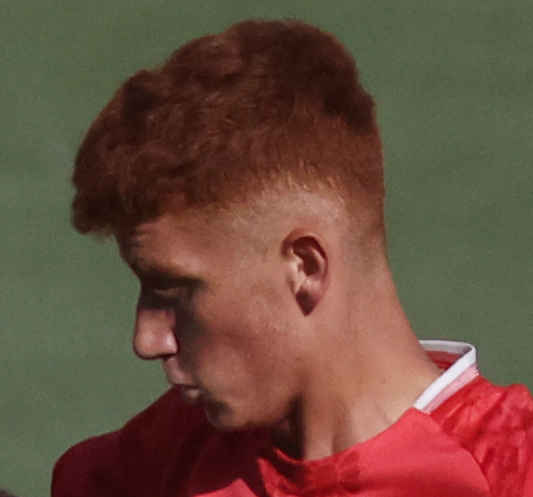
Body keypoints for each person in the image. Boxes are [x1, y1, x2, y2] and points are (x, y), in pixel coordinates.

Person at [52, 19, 533, 497]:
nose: (147, 339)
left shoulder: (510, 472)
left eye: (175, 291)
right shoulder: (163, 455)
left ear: (305, 266)